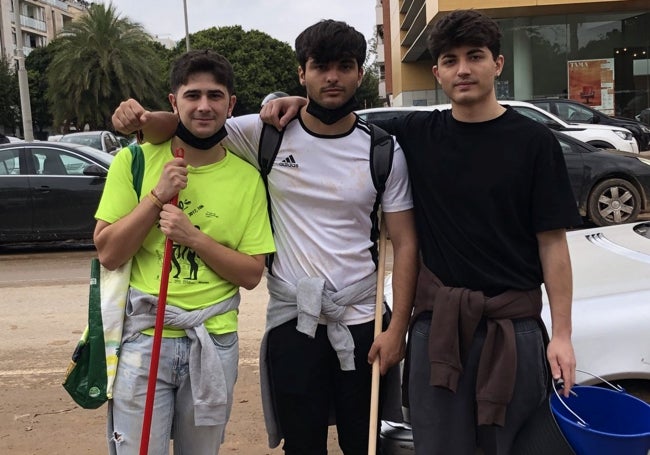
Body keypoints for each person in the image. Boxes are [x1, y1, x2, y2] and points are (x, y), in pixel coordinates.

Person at [261, 9, 581, 455]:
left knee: (511, 445)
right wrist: (292, 102)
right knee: (437, 445)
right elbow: (336, 118)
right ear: (437, 72)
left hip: (515, 328)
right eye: (450, 60)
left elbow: (553, 245)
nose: (463, 69)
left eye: (475, 57)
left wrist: (561, 333)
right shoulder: (414, 133)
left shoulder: (535, 142)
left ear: (499, 64)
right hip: (437, 328)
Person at [111, 20, 418, 455]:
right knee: (303, 444)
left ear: (359, 74)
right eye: (320, 67)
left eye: (345, 66)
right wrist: (140, 119)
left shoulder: (383, 149)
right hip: (294, 321)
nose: (332, 77)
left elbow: (405, 244)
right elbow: (188, 124)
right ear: (301, 73)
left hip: (364, 319)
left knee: (363, 442)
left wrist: (397, 327)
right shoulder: (265, 132)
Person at [94, 49, 275, 455]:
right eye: (192, 95)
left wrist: (194, 238)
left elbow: (250, 274)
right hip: (144, 340)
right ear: (174, 102)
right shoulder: (135, 161)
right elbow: (108, 253)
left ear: (231, 104)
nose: (204, 106)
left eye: (215, 96)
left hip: (214, 341)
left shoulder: (247, 179)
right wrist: (157, 196)